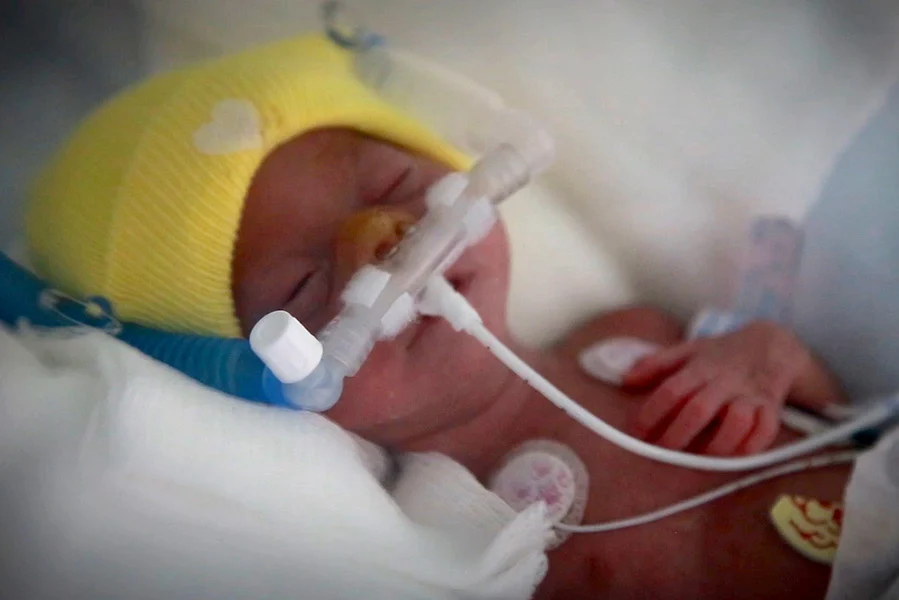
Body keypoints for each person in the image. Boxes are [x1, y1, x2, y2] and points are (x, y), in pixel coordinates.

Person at [24, 33, 854, 599]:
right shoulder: (426, 525)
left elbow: (824, 402)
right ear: (260, 375)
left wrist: (759, 358)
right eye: (300, 291)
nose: (382, 248)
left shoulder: (627, 334)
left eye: (390, 189)